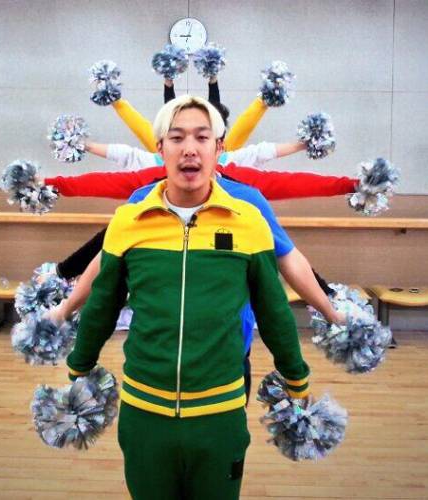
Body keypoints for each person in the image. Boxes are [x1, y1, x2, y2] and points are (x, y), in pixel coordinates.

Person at [66, 95, 311, 499]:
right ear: (160, 148)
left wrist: (296, 377)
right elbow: (103, 305)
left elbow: (273, 310)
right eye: (177, 137)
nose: (189, 148)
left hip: (220, 412)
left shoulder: (249, 222)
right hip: (143, 412)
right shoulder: (128, 221)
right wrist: (79, 367)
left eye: (202, 137)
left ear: (219, 147)